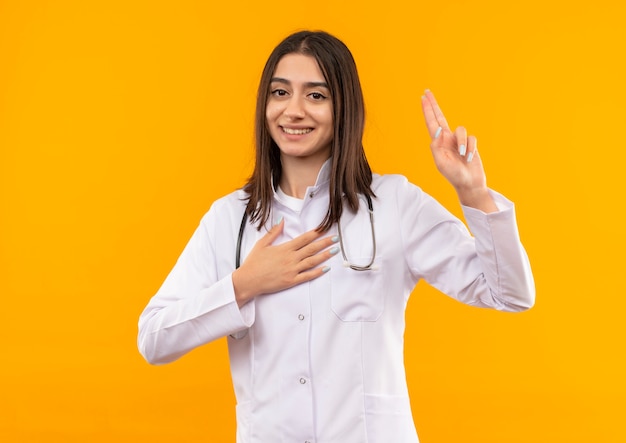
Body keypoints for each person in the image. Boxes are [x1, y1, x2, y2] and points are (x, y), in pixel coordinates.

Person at [137, 30, 535, 443]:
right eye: (280, 93)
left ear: (344, 107)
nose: (293, 111)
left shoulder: (395, 204)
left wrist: (473, 193)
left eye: (316, 96)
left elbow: (509, 294)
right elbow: (154, 339)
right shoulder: (229, 218)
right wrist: (244, 285)